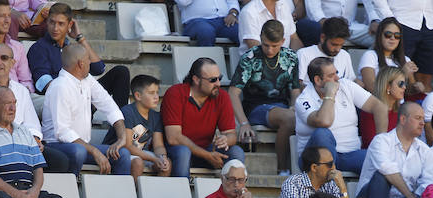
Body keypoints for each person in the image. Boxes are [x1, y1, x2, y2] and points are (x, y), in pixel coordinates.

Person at [0, 43, 69, 175]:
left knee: (60, 161)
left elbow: (32, 122)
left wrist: (35, 139)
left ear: (13, 63)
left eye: (4, 58)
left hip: (24, 145)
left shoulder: (21, 90)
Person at [41, 44, 129, 177]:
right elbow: (62, 132)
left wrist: (122, 138)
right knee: (79, 151)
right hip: (56, 146)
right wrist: (94, 151)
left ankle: (118, 196)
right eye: (88, 59)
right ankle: (71, 191)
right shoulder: (60, 86)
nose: (90, 62)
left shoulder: (87, 80)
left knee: (123, 154)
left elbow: (108, 105)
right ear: (81, 64)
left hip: (82, 146)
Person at [28, 3, 129, 109]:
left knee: (121, 72)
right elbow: (44, 83)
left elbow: (98, 69)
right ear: (47, 22)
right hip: (62, 101)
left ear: (69, 25)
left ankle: (122, 122)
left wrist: (80, 38)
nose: (55, 28)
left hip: (83, 95)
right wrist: (75, 95)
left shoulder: (72, 48)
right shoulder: (39, 48)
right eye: (52, 22)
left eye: (61, 24)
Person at [295, 56, 387, 174]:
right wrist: (330, 94)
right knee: (322, 133)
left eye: (336, 73)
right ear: (318, 80)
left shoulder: (346, 85)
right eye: (331, 76)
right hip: (314, 160)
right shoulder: (304, 99)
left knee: (380, 163)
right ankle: (330, 183)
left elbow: (379, 107)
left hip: (350, 155)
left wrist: (381, 142)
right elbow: (325, 122)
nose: (337, 78)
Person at [231, 20, 300, 175]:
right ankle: (283, 169)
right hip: (256, 107)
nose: (269, 50)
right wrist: (243, 123)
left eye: (274, 46)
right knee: (290, 118)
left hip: (282, 106)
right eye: (265, 44)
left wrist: (294, 105)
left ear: (283, 41)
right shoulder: (250, 57)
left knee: (299, 116)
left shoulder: (291, 57)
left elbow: (295, 89)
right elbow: (233, 92)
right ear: (260, 38)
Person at [357, 103, 433, 198]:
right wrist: (410, 197)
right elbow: (387, 169)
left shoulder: (425, 150)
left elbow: (428, 182)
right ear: (403, 119)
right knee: (381, 177)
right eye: (417, 118)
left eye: (423, 119)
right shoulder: (381, 141)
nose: (422, 123)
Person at [162, 57, 245, 178]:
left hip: (206, 149)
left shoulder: (222, 96)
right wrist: (207, 155)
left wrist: (225, 139)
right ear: (196, 79)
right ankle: (180, 194)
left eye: (219, 78)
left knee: (236, 151)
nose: (218, 84)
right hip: (177, 151)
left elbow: (231, 134)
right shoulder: (175, 93)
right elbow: (174, 138)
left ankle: (234, 194)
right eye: (213, 80)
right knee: (183, 152)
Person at [101, 74, 170, 180]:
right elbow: (127, 146)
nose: (156, 97)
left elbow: (158, 146)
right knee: (138, 162)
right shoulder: (127, 112)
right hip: (120, 153)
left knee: (166, 165)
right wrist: (153, 159)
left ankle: (156, 194)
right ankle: (134, 194)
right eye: (151, 93)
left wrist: (162, 158)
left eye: (157, 92)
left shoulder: (156, 116)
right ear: (138, 96)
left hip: (142, 154)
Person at [368, 0, 433, 90]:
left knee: (425, 78)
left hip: (430, 23)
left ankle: (420, 102)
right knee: (398, 72)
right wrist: (390, 19)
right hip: (401, 20)